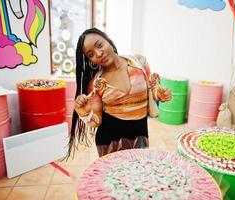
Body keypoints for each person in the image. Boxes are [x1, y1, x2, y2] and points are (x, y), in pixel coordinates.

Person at [67, 28, 171, 158]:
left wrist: (160, 94)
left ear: (108, 40)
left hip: (140, 136)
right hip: (110, 143)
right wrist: (85, 112)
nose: (98, 54)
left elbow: (153, 89)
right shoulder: (97, 83)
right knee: (114, 177)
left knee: (139, 173)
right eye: (91, 54)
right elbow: (97, 121)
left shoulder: (139, 63)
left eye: (99, 45)